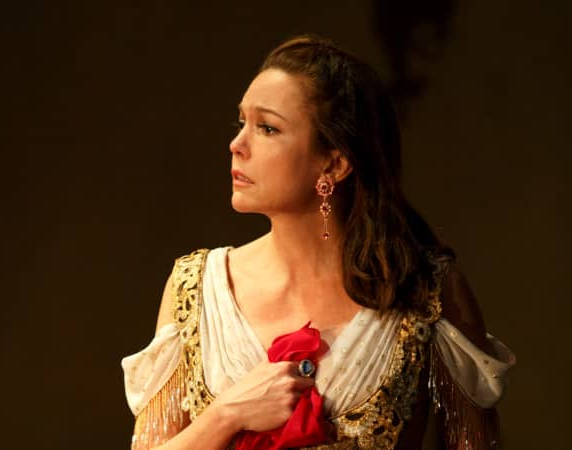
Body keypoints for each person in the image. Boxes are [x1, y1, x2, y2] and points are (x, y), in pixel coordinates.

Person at [121, 35, 515, 450]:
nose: (237, 145)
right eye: (242, 123)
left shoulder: (426, 289)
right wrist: (227, 414)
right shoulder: (195, 287)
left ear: (335, 162)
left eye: (267, 128)